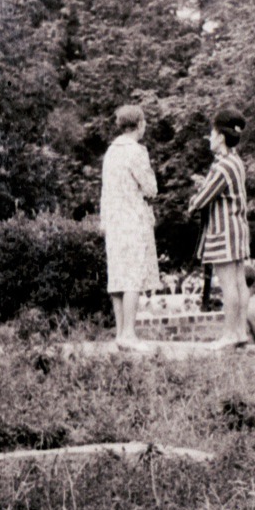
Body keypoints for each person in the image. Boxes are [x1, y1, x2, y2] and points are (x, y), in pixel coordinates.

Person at [187, 107, 250, 348]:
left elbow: (202, 199)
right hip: (238, 228)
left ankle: (229, 335)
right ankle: (241, 332)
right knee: (239, 282)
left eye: (212, 133)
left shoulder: (222, 166)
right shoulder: (236, 162)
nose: (210, 138)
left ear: (221, 136)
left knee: (228, 285)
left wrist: (192, 203)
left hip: (223, 232)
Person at [100, 104, 159, 352]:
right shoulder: (136, 151)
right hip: (132, 218)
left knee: (118, 275)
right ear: (140, 124)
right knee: (133, 274)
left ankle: (120, 332)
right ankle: (129, 334)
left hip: (113, 220)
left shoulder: (111, 152)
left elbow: (105, 190)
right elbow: (150, 188)